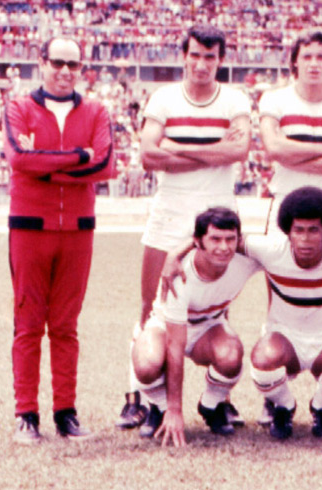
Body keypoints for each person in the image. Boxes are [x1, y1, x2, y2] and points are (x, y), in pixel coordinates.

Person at [117, 25, 251, 429]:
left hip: (218, 214)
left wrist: (176, 148)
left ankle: (218, 401)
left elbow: (239, 150)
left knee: (217, 306)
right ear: (184, 56)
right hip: (169, 213)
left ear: (220, 60)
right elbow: (148, 155)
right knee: (150, 307)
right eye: (195, 55)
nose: (201, 64)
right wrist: (213, 151)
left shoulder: (234, 99)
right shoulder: (164, 98)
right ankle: (139, 398)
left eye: (210, 56)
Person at [4, 36, 113, 443]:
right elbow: (19, 159)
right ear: (41, 62)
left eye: (73, 64)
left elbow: (106, 165)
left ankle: (65, 413)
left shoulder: (96, 110)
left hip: (77, 229)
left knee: (66, 326)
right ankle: (26, 414)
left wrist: (45, 166)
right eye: (57, 62)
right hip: (30, 227)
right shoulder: (18, 107)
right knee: (28, 324)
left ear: (81, 68)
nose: (65, 71)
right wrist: (79, 156)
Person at [133, 208, 260, 446]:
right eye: (215, 239)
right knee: (147, 362)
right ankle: (160, 408)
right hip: (166, 327)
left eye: (230, 239)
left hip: (209, 325)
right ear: (197, 242)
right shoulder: (179, 273)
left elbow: (284, 249)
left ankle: (210, 405)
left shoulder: (245, 260)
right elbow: (175, 344)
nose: (224, 247)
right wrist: (174, 409)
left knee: (231, 355)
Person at [245, 187, 322, 439]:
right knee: (263, 359)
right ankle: (283, 406)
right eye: (298, 230)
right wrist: (175, 255)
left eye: (314, 230)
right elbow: (220, 237)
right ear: (288, 232)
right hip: (286, 340)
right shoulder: (271, 251)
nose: (305, 238)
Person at [258, 31, 322, 239]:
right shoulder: (274, 99)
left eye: (321, 57)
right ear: (295, 62)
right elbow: (274, 149)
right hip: (286, 200)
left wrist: (291, 157)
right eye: (307, 56)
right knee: (279, 260)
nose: (314, 64)